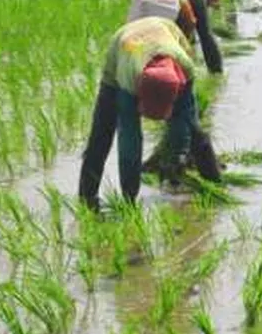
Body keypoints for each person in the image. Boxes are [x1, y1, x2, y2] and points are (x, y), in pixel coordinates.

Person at [78, 16, 222, 210]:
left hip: (164, 30)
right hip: (126, 45)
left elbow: (184, 119)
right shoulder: (128, 79)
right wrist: (130, 200)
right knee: (102, 134)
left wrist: (177, 156)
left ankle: (214, 183)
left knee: (192, 126)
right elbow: (129, 140)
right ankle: (88, 198)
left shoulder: (186, 68)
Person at [129, 0, 224, 75]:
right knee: (205, 34)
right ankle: (214, 73)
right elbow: (191, 24)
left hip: (150, 1)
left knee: (136, 44)